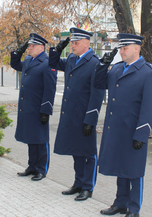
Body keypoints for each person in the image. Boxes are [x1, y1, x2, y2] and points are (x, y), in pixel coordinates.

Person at [94, 33, 152, 217]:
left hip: (133, 131)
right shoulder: (116, 69)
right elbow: (99, 84)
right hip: (116, 129)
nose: (121, 51)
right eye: (121, 48)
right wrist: (103, 65)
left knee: (134, 172)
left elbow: (150, 107)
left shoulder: (149, 72)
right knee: (120, 168)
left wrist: (141, 134)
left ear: (136, 49)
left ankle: (134, 208)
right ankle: (120, 203)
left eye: (125, 48)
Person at [49, 27, 104, 201]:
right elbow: (53, 63)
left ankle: (88, 187)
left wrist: (91, 118)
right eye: (71, 42)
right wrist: (57, 49)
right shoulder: (72, 58)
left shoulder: (95, 63)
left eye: (76, 42)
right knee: (76, 151)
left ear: (86, 44)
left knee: (88, 153)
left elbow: (98, 94)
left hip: (84, 116)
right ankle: (78, 183)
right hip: (70, 114)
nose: (72, 45)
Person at [10, 33, 57, 181]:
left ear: (42, 47)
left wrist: (46, 110)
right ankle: (32, 166)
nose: (30, 48)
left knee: (41, 140)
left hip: (38, 108)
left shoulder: (47, 63)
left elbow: (50, 89)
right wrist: (18, 52)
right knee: (31, 138)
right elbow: (15, 65)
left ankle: (41, 169)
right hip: (27, 107)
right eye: (29, 45)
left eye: (32, 46)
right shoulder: (29, 59)